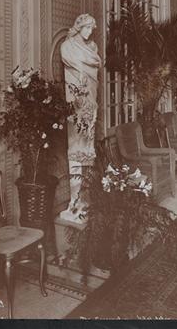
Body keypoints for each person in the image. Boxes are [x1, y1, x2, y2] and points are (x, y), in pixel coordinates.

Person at [59, 14, 101, 223]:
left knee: (88, 148)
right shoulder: (67, 46)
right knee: (76, 148)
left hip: (90, 101)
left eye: (92, 29)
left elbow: (95, 64)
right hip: (77, 104)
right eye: (87, 28)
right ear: (79, 26)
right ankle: (74, 201)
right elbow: (83, 66)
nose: (90, 32)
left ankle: (85, 198)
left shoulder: (92, 47)